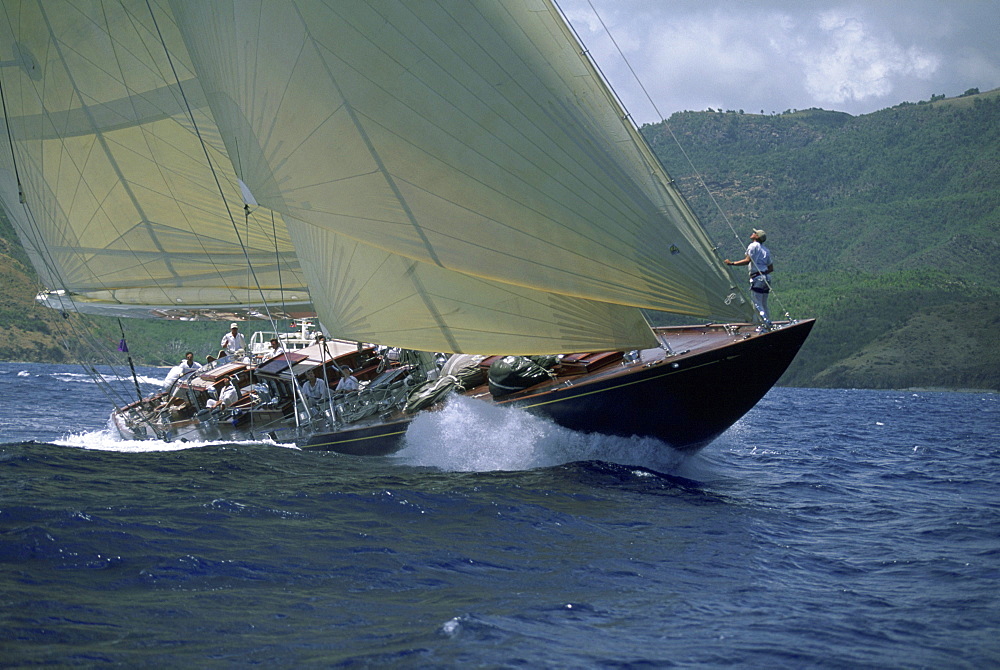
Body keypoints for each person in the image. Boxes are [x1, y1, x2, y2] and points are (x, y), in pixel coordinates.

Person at [725, 228, 773, 326]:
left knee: (757, 303)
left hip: (757, 278)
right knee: (764, 303)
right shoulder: (766, 250)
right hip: (766, 277)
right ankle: (768, 321)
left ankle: (764, 324)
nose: (752, 233)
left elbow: (747, 260)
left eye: (754, 233)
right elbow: (771, 268)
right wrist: (763, 273)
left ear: (757, 237)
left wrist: (732, 263)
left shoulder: (753, 246)